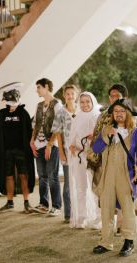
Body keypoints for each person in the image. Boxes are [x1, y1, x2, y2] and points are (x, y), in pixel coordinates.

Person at [92, 98, 137, 257]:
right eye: (116, 111)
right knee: (106, 208)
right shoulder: (107, 129)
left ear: (128, 113)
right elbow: (96, 148)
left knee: (128, 209)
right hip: (108, 174)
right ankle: (106, 242)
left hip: (127, 174)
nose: (119, 114)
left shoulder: (135, 132)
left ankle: (129, 240)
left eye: (122, 111)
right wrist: (106, 136)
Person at [87, 84, 130, 235]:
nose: (113, 98)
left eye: (116, 95)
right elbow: (96, 134)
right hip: (104, 160)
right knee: (106, 194)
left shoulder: (130, 115)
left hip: (123, 161)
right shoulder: (103, 115)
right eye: (111, 95)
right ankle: (107, 225)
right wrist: (93, 157)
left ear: (123, 97)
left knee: (122, 193)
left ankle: (121, 224)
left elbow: (134, 138)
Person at [0, 82, 35, 213]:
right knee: (8, 176)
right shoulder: (1, 114)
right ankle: (10, 202)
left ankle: (26, 202)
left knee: (24, 175)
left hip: (21, 150)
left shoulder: (23, 113)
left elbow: (29, 132)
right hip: (6, 151)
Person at [68, 91, 101, 229]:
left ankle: (99, 218)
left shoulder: (98, 117)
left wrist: (93, 140)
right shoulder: (77, 118)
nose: (85, 104)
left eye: (88, 101)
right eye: (82, 102)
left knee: (96, 187)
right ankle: (82, 217)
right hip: (79, 157)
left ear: (92, 102)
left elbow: (102, 138)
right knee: (81, 188)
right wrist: (73, 148)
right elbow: (71, 139)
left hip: (94, 157)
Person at [30, 78, 63, 216]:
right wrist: (32, 141)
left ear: (47, 87)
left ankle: (56, 206)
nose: (37, 90)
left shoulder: (57, 104)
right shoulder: (39, 105)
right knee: (42, 176)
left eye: (39, 87)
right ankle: (43, 204)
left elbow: (58, 126)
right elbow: (36, 125)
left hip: (52, 145)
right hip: (38, 144)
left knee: (52, 176)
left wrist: (50, 145)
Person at [49, 85, 79, 223]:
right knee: (68, 184)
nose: (70, 96)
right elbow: (58, 133)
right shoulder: (60, 112)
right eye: (68, 94)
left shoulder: (82, 109)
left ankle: (81, 212)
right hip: (67, 151)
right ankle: (68, 214)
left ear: (76, 94)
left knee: (82, 183)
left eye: (72, 93)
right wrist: (61, 150)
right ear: (64, 96)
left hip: (81, 151)